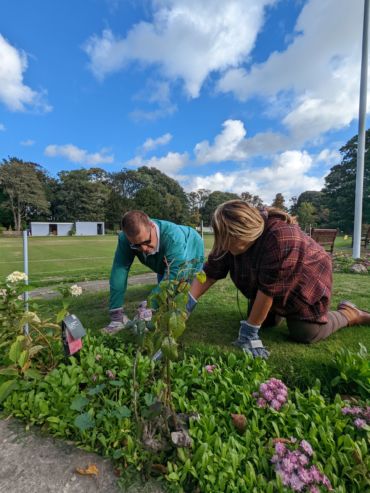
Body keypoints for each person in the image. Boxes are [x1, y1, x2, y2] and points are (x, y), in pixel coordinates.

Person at [187, 200, 370, 358]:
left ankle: (349, 314)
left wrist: (250, 333)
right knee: (264, 322)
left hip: (307, 276)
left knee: (305, 333)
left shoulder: (281, 238)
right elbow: (210, 272)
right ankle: (278, 312)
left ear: (246, 233)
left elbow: (269, 290)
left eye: (229, 240)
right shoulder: (228, 238)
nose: (223, 245)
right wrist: (186, 305)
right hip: (272, 281)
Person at [103, 210, 204, 334]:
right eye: (136, 246)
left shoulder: (174, 237)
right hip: (163, 260)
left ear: (151, 226)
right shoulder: (125, 239)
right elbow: (119, 270)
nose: (143, 249)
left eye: (146, 242)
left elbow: (173, 275)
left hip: (192, 245)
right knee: (162, 289)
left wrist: (150, 304)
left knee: (181, 288)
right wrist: (116, 314)